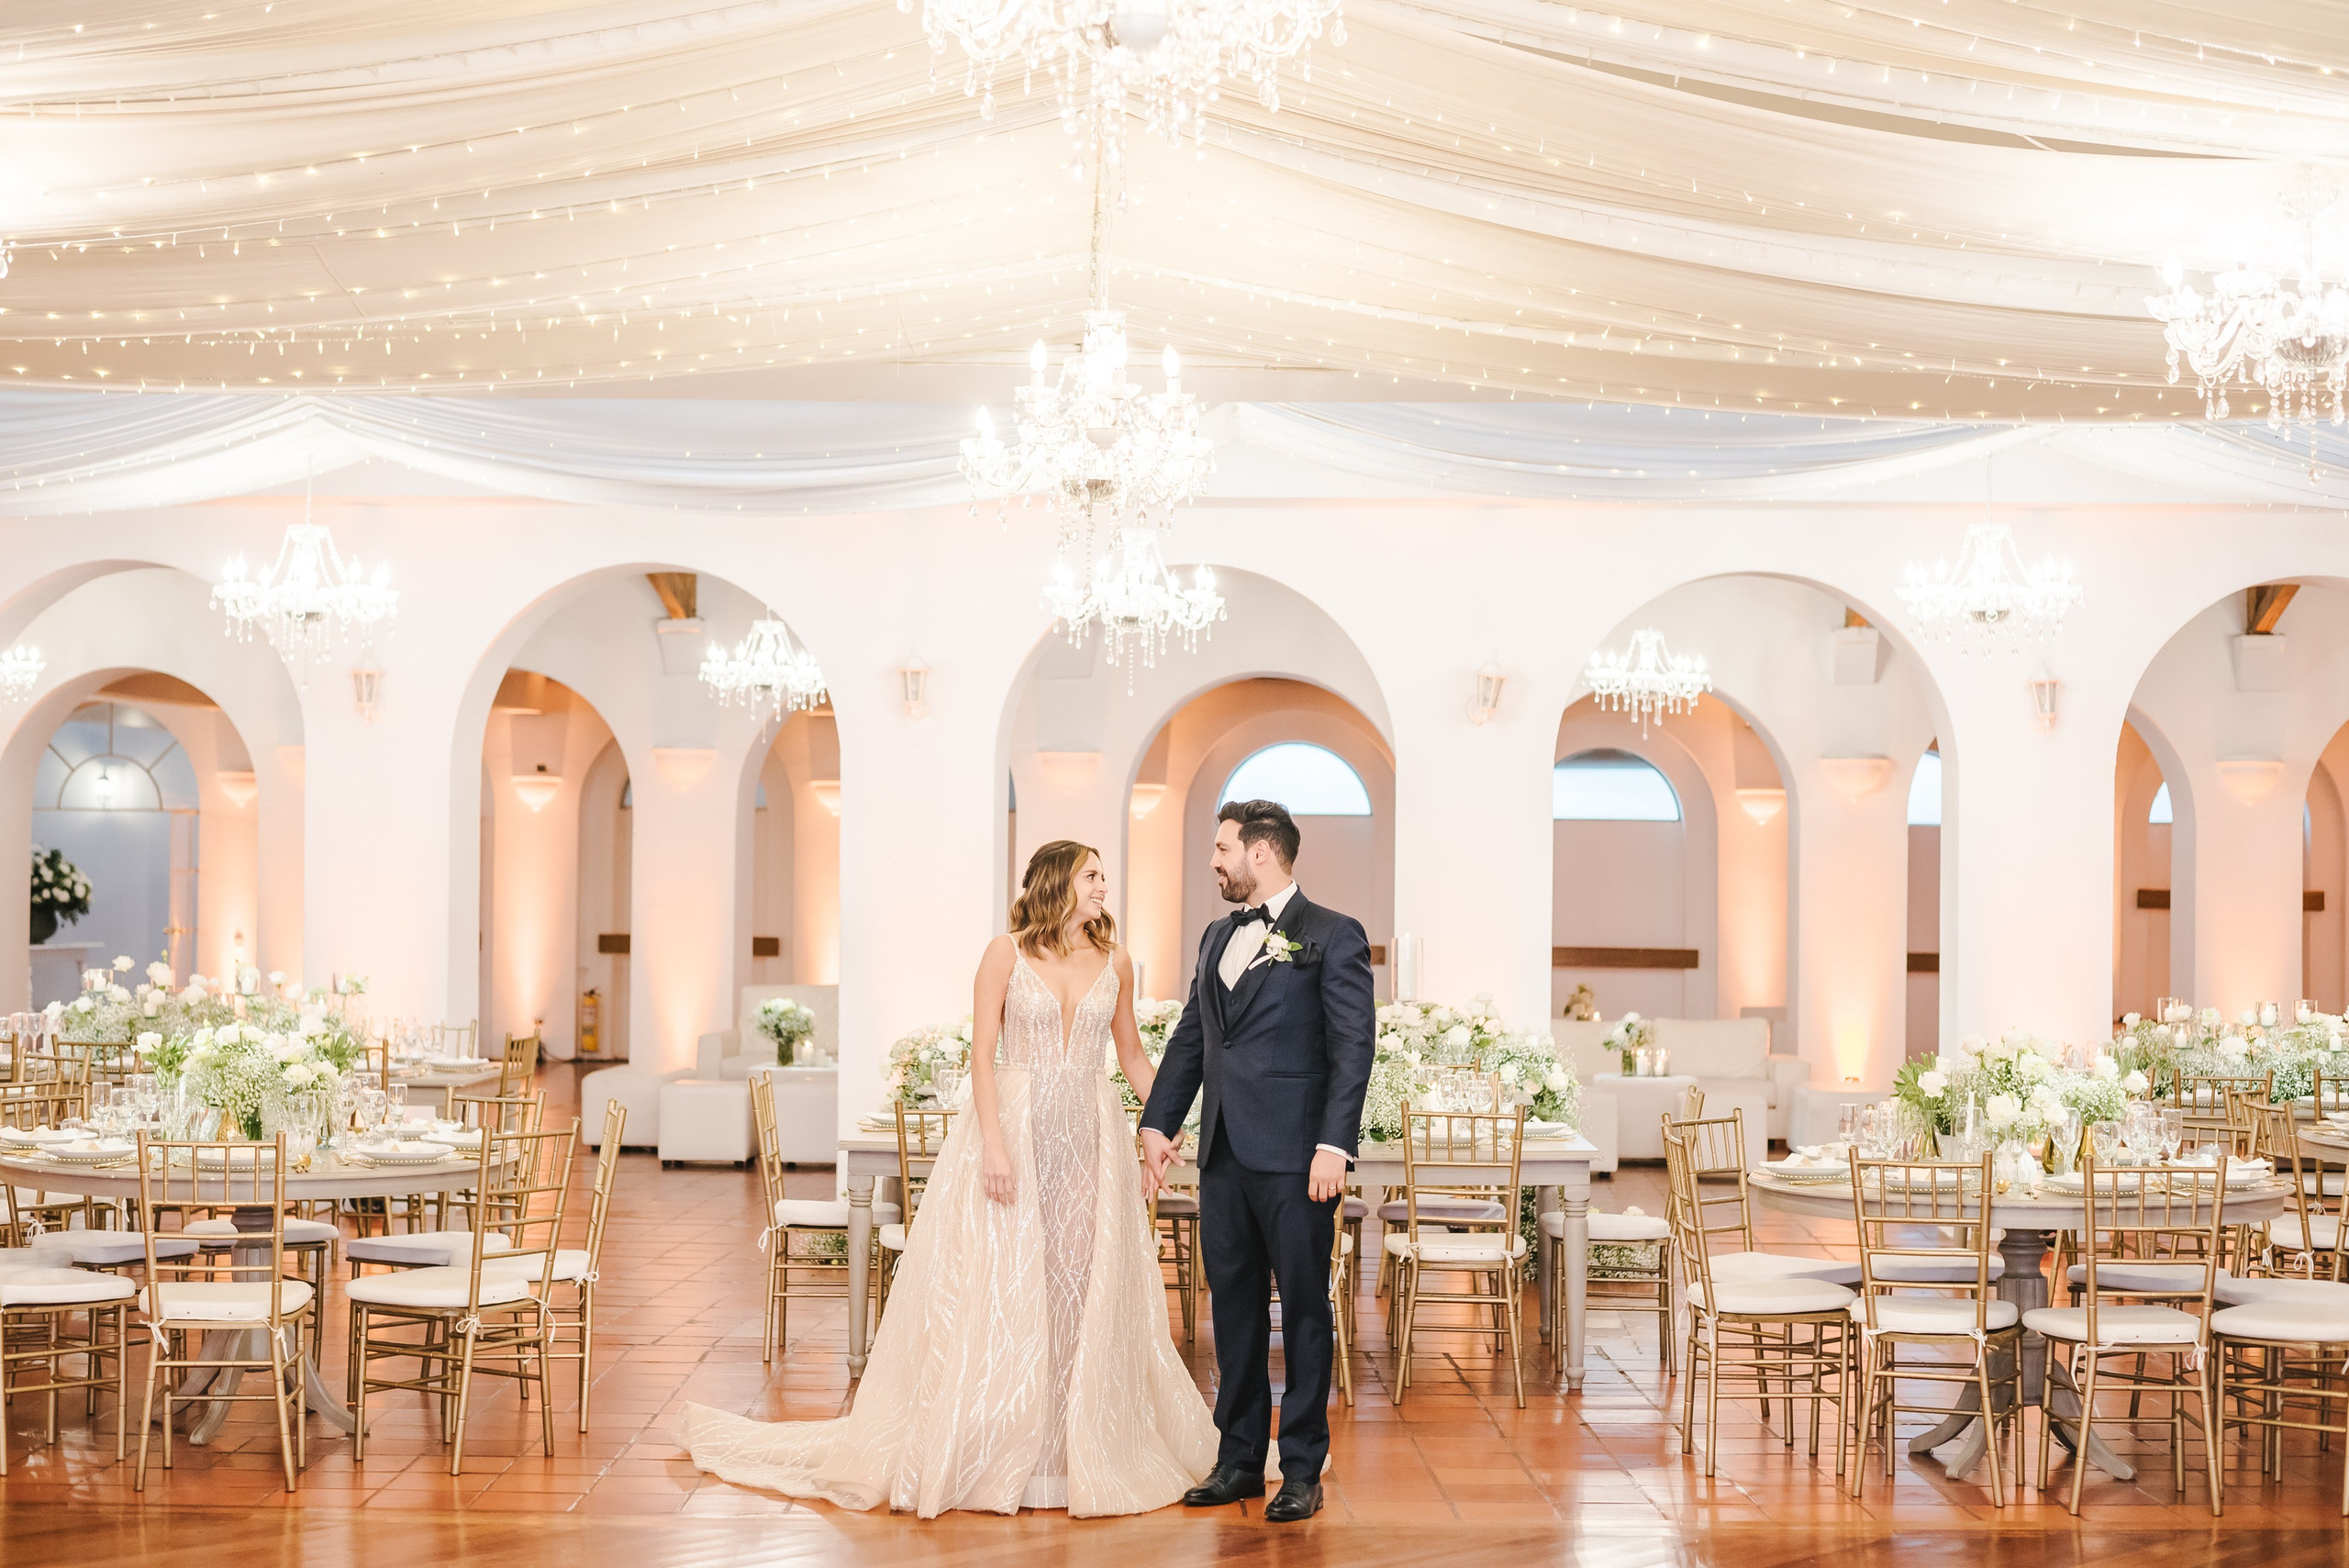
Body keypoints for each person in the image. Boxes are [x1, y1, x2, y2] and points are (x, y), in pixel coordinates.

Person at [677, 840, 1216, 1517]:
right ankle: (1003, 1438)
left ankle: (1072, 1447)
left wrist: (1162, 1122)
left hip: (1089, 1136)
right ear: (1058, 883)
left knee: (1080, 1281)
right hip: (1015, 1131)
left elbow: (1132, 1053)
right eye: (1093, 875)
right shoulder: (1005, 952)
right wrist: (993, 1144)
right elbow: (983, 1060)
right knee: (1011, 1284)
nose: (1105, 886)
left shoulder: (1117, 960)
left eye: (1105, 875)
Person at [1140, 798, 1375, 1523]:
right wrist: (1158, 1121)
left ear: (1261, 852)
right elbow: (1193, 1039)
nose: (1213, 861)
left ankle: (1301, 1466)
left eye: (1221, 848)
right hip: (1224, 1157)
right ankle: (1240, 1457)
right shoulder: (1216, 934)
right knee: (1233, 1310)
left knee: (1304, 1310)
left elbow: (1351, 1047)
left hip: (1301, 1159)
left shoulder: (1333, 935)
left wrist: (1334, 1145)